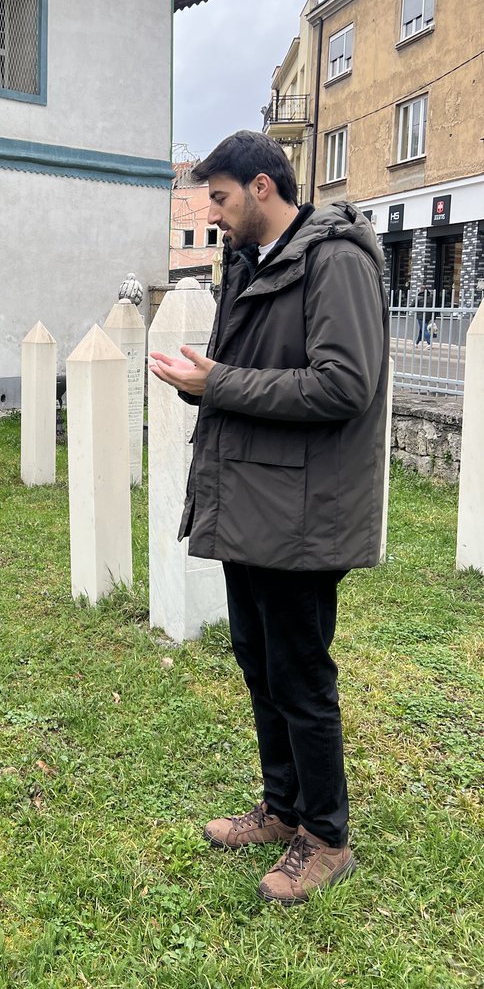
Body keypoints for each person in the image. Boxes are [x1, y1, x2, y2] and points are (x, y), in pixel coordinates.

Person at [149, 131, 388, 905]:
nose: (211, 216)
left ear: (261, 187)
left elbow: (342, 386)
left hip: (303, 511)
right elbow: (246, 379)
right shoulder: (252, 263)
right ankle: (284, 809)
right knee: (259, 663)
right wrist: (202, 382)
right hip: (255, 500)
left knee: (301, 674)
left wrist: (218, 382)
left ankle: (327, 836)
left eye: (217, 199)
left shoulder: (335, 259)